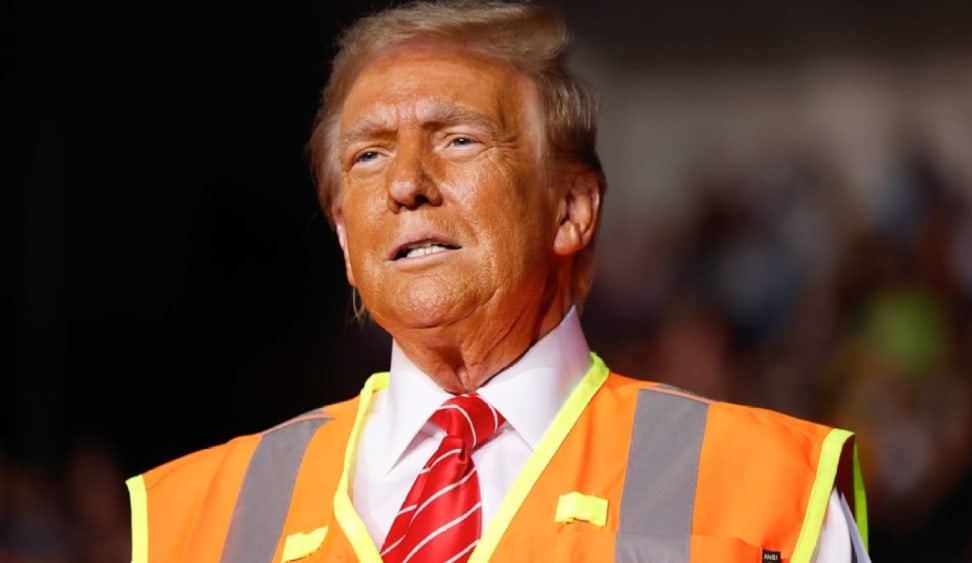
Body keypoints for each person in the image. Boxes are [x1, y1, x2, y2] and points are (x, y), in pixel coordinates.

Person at [124, 1, 871, 561]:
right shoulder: (189, 518)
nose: (406, 184)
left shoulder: (770, 490)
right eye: (369, 155)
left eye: (458, 139)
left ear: (571, 208)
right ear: (346, 238)